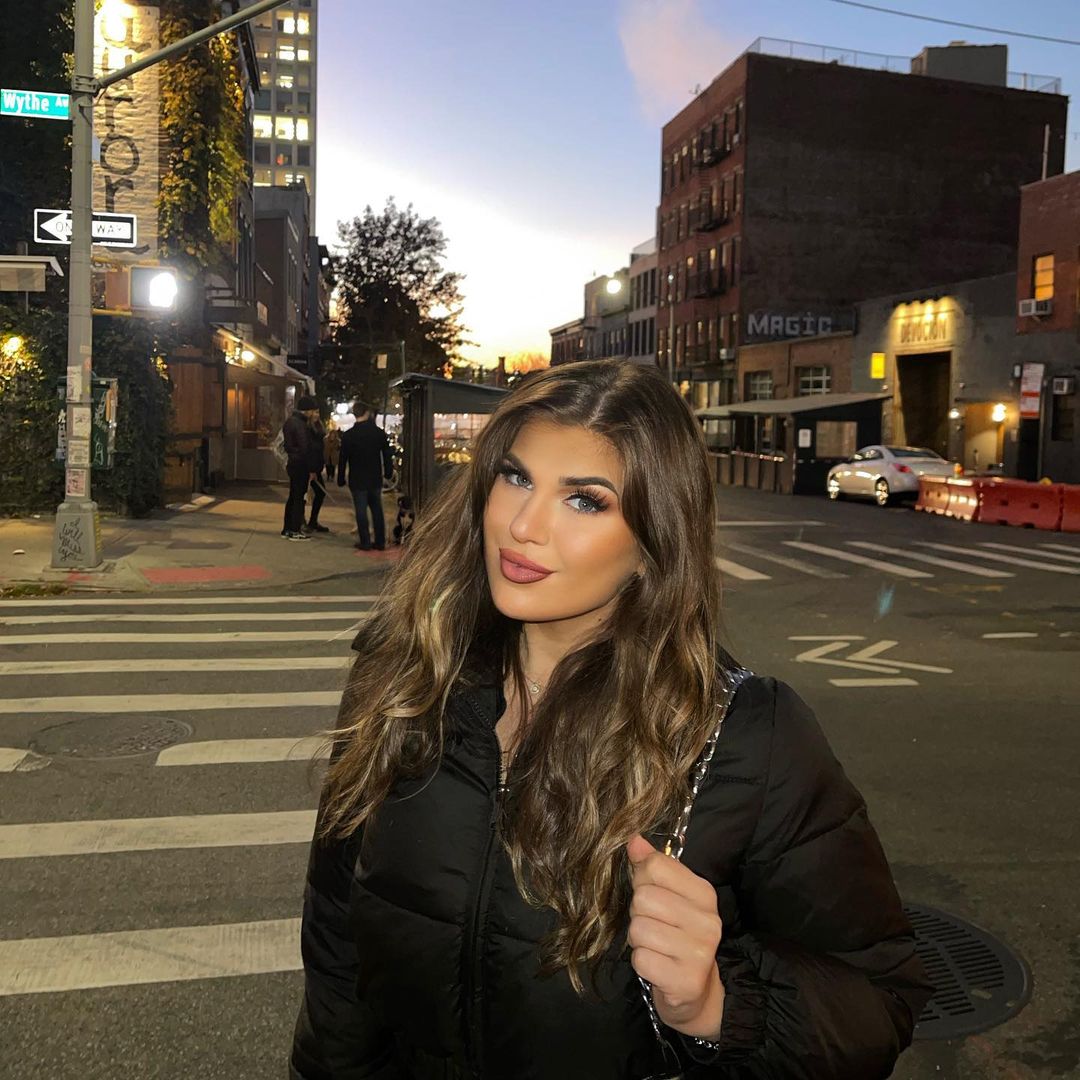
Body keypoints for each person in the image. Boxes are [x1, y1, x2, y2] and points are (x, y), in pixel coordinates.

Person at [291, 360, 933, 1079]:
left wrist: (719, 1006)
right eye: (515, 477)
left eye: (585, 501)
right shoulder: (406, 676)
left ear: (654, 540)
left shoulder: (748, 735)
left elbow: (879, 998)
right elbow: (337, 953)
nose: (523, 526)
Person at [336, 401, 394, 551]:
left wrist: (341, 478)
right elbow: (387, 454)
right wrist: (388, 472)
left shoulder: (349, 435)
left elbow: (343, 459)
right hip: (374, 477)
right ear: (367, 413)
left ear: (354, 414)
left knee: (360, 511)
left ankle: (365, 541)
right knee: (377, 510)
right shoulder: (378, 433)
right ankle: (380, 541)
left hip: (357, 478)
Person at [281, 394, 320, 542]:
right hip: (300, 465)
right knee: (298, 498)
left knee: (293, 497)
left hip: (293, 463)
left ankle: (287, 529)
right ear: (307, 410)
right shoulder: (301, 424)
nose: (313, 413)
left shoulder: (291, 421)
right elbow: (305, 448)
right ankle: (294, 530)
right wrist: (311, 469)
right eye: (312, 410)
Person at [305, 412, 330, 534]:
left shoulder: (318, 429)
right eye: (314, 412)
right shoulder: (308, 429)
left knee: (319, 493)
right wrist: (312, 470)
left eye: (318, 412)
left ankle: (312, 521)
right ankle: (306, 522)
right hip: (310, 468)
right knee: (309, 494)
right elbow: (310, 450)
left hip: (316, 467)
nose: (316, 415)